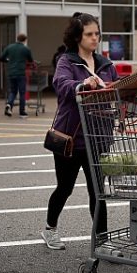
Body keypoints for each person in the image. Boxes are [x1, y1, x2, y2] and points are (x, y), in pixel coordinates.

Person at [41, 12, 118, 250]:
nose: (95, 38)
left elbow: (116, 89)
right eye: (89, 34)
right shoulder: (67, 61)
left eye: (97, 34)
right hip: (71, 139)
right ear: (77, 37)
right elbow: (61, 84)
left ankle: (102, 240)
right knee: (65, 187)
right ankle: (50, 228)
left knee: (98, 191)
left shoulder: (106, 65)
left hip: (98, 137)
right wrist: (81, 84)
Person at [0, 33, 34, 118]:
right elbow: (30, 60)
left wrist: (8, 60)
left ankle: (9, 104)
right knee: (22, 93)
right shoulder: (26, 49)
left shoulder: (9, 47)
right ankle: (22, 112)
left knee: (13, 91)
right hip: (20, 73)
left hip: (11, 72)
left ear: (17, 39)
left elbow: (1, 58)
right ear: (25, 40)